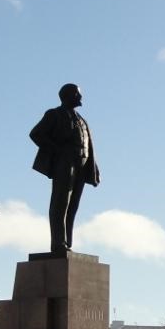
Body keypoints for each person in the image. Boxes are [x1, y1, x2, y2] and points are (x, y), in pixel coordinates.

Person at [30, 83, 100, 255]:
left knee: (73, 205)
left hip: (82, 165)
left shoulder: (82, 119)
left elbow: (89, 145)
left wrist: (93, 166)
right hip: (64, 163)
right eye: (77, 94)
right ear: (68, 96)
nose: (81, 97)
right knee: (61, 203)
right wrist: (57, 150)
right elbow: (36, 134)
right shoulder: (54, 114)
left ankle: (67, 242)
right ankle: (58, 243)